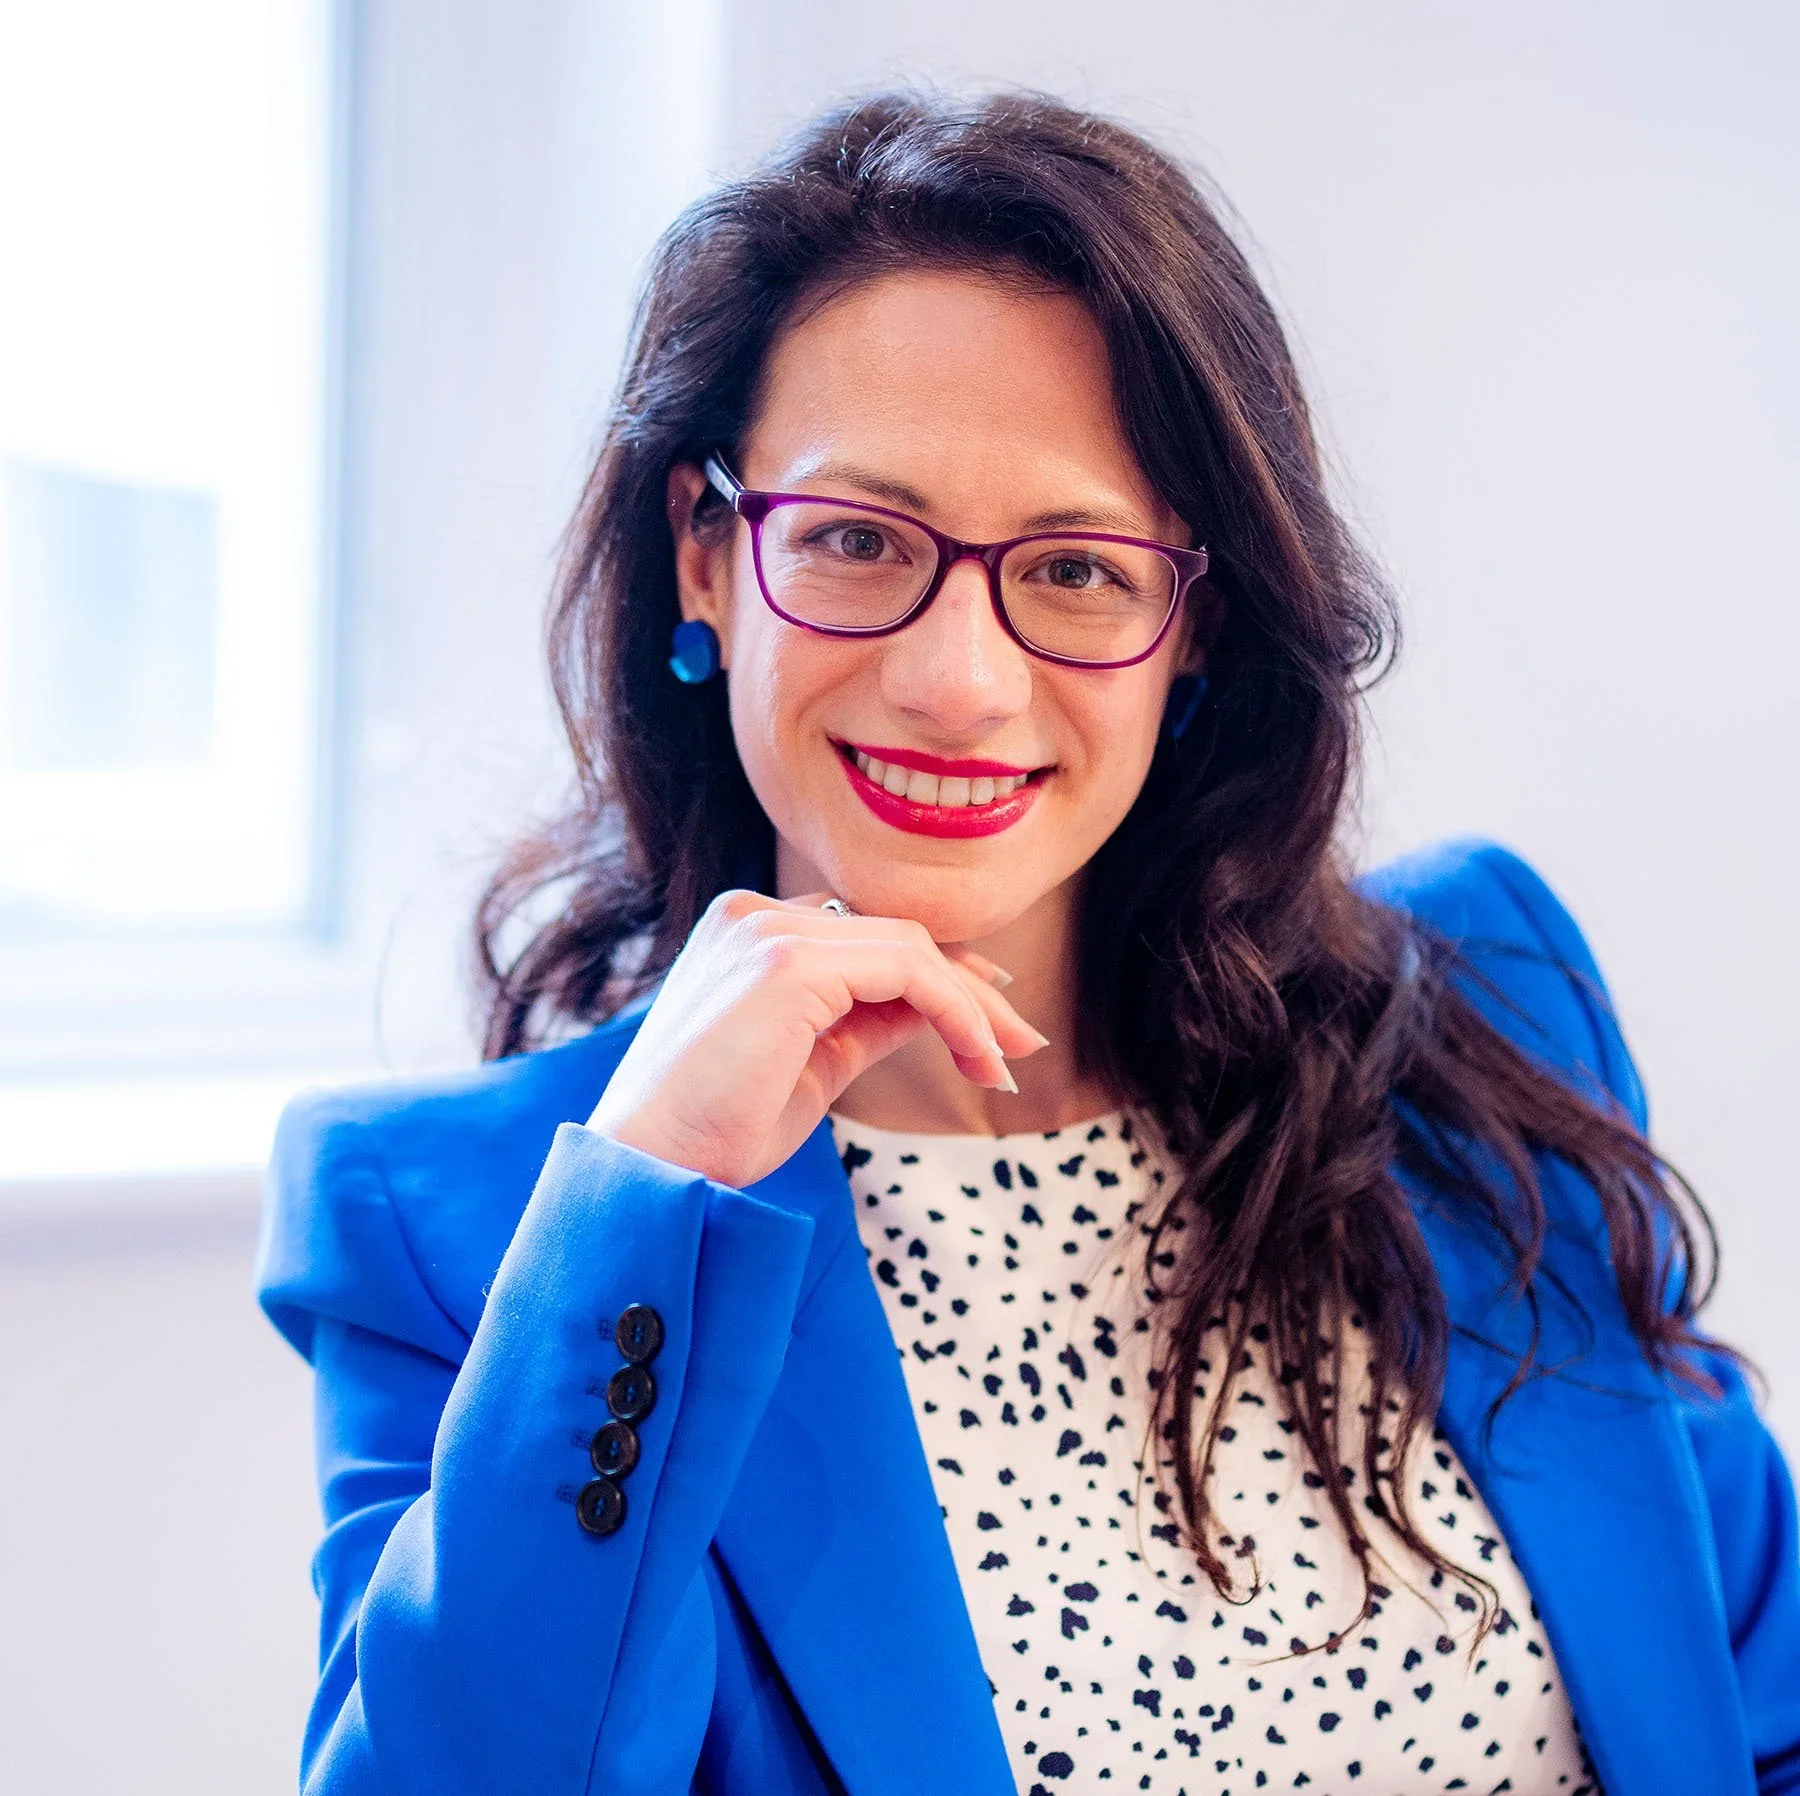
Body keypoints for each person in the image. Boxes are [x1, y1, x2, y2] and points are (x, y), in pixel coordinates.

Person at [256, 91, 1800, 1796]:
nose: (959, 680)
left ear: (1194, 620)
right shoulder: (478, 1224)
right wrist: (653, 1202)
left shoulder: (1472, 1006)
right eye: (856, 542)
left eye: (1074, 569)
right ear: (705, 556)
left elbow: (1763, 1704)